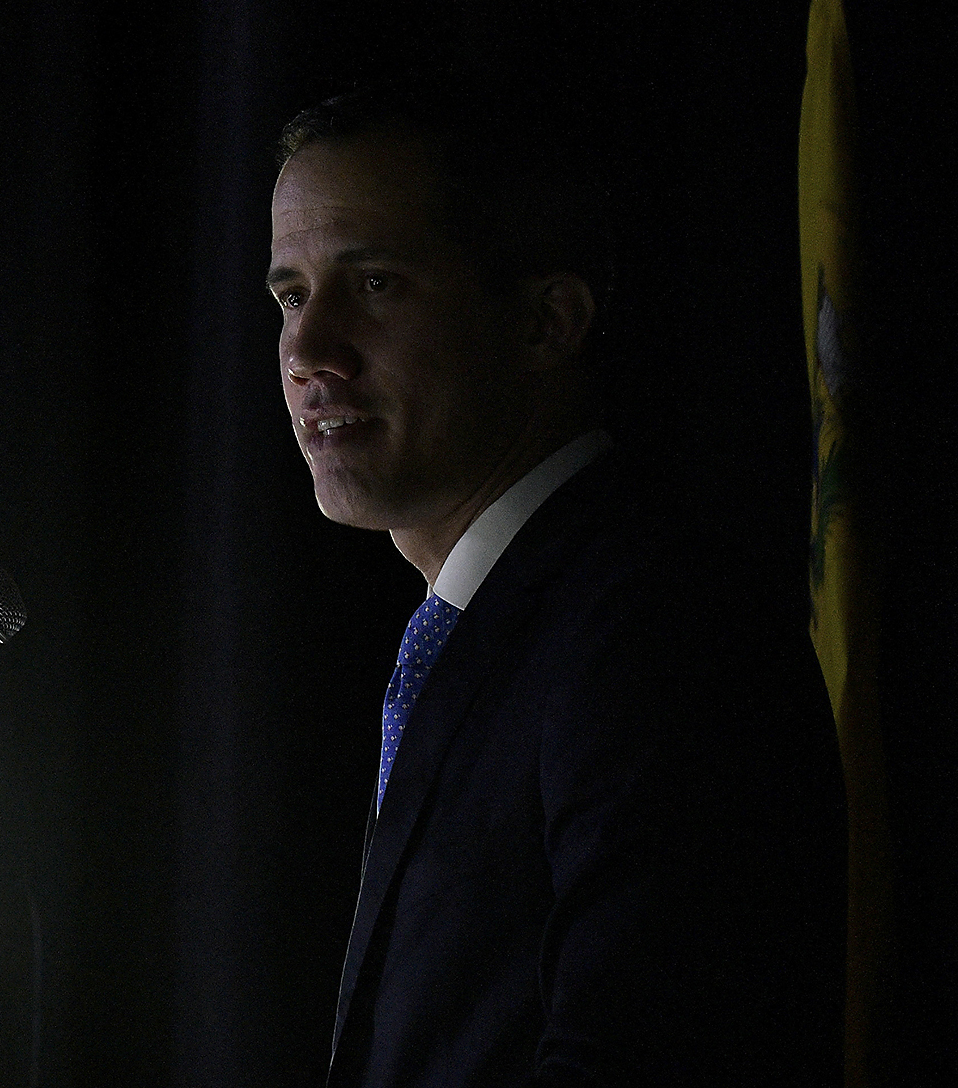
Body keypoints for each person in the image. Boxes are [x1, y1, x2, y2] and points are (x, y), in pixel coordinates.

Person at [267, 74, 847, 1087]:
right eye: (289, 293)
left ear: (544, 323)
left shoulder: (652, 630)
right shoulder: (484, 630)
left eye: (374, 285)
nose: (309, 352)